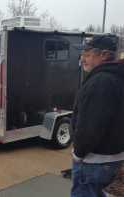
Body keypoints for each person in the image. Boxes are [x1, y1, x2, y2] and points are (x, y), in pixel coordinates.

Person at [71, 35, 124, 197]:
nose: (82, 58)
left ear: (104, 55)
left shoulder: (101, 81)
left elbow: (90, 127)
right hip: (114, 158)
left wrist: (78, 153)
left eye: (87, 54)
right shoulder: (117, 77)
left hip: (94, 163)